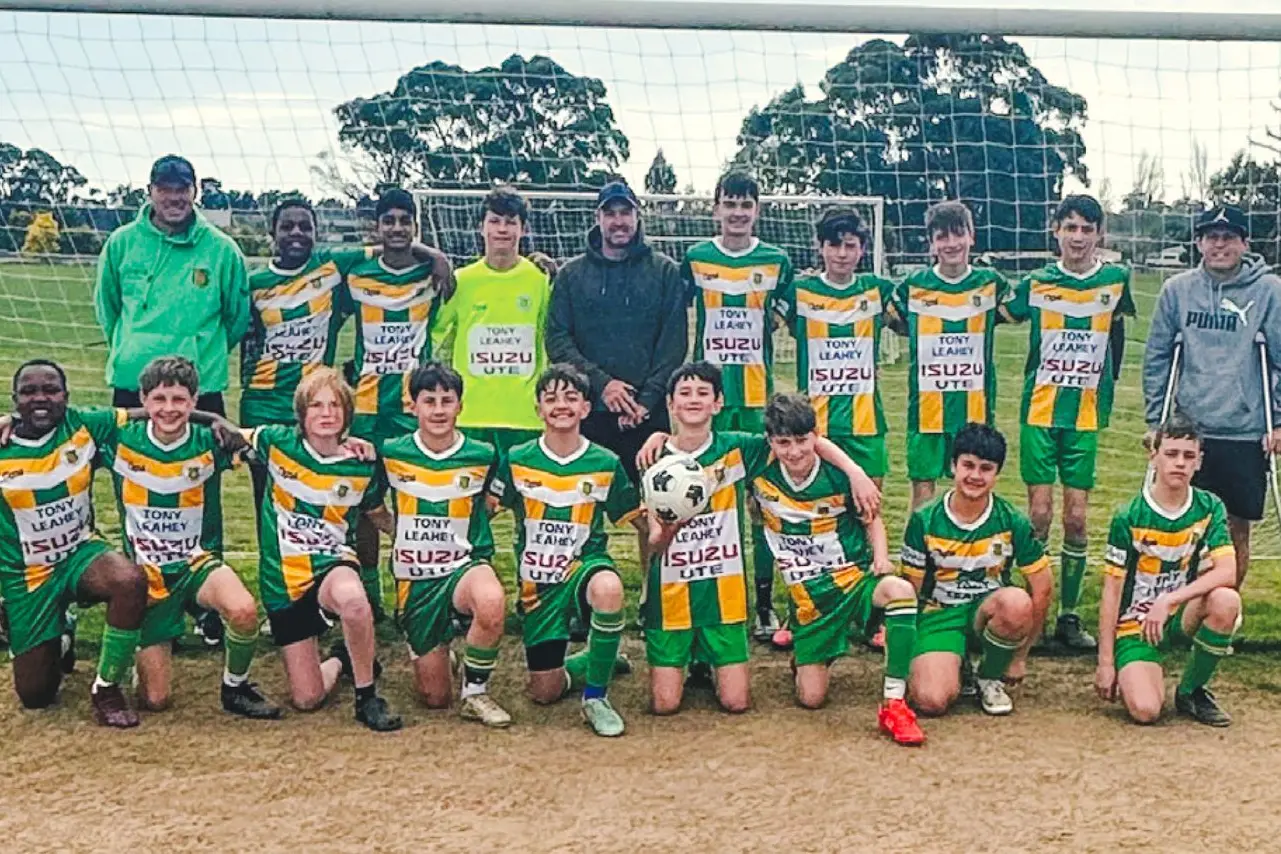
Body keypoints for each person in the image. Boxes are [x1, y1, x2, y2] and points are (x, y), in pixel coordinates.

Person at [639, 362, 881, 717]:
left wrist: (856, 473)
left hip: (725, 594)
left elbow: (803, 438)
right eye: (685, 394)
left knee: (737, 703)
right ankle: (689, 661)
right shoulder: (653, 458)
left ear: (718, 403)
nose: (694, 400)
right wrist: (669, 528)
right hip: (672, 594)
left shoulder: (738, 449)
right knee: (665, 705)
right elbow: (655, 543)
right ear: (671, 404)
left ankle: (708, 661)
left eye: (703, 393)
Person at [105, 357, 279, 718]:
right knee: (155, 701)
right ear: (143, 399)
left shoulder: (213, 440)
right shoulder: (118, 438)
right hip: (148, 574)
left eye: (180, 400)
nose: (169, 409)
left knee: (244, 610)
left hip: (197, 564)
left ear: (195, 400)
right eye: (160, 399)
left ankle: (236, 687)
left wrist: (353, 444)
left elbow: (283, 444)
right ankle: (146, 654)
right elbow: (65, 421)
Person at [1000, 194, 1135, 650]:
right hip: (1039, 411)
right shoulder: (1036, 283)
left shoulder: (1116, 281)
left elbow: (1116, 332)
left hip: (1085, 416)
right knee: (1038, 515)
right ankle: (1027, 610)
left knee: (1077, 518)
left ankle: (1070, 616)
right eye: (1070, 227)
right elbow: (995, 315)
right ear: (1055, 231)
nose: (1078, 237)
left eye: (1087, 228)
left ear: (1099, 234)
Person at [751, 393, 923, 745]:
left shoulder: (839, 475)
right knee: (811, 700)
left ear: (816, 435)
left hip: (854, 578)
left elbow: (872, 519)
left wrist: (880, 557)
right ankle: (808, 653)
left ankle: (894, 701)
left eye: (803, 440)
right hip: (810, 597)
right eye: (784, 443)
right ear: (770, 442)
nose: (795, 451)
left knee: (900, 591)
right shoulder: (757, 468)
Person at [489, 363, 642, 737]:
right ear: (539, 409)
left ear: (586, 409)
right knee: (545, 692)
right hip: (537, 586)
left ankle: (596, 697)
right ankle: (595, 659)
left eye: (571, 398)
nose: (561, 405)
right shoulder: (517, 458)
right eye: (551, 398)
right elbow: (485, 513)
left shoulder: (605, 463)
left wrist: (669, 527)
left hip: (582, 567)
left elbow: (635, 518)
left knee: (608, 589)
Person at [247, 367, 401, 731]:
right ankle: (343, 659)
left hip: (332, 564)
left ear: (347, 413)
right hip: (283, 580)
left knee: (353, 599)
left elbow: (377, 514)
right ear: (302, 413)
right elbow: (220, 432)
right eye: (316, 405)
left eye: (335, 405)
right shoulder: (274, 442)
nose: (327, 413)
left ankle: (367, 697)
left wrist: (411, 537)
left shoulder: (361, 464)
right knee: (307, 699)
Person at [0, 361, 149, 727]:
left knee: (129, 580)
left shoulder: (84, 425)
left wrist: (216, 422)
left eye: (50, 390)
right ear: (14, 399)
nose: (40, 398)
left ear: (66, 396)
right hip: (27, 573)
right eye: (29, 391)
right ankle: (61, 631)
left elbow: (157, 411)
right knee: (36, 695)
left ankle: (107, 688)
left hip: (79, 553)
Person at [1142, 203, 1281, 588]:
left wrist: (1280, 422)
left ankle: (1223, 613)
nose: (1220, 246)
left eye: (1229, 238)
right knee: (1183, 522)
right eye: (1212, 238)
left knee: (1236, 528)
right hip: (1190, 431)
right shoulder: (1177, 291)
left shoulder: (1269, 291)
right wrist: (1156, 420)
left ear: (1244, 243)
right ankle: (1176, 605)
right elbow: (1157, 356)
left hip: (1244, 430)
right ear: (1199, 242)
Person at [681, 171, 794, 642]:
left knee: (758, 503)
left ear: (757, 210)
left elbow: (789, 312)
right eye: (730, 203)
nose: (738, 212)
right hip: (705, 403)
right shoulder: (696, 258)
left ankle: (764, 604)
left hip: (754, 400)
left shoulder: (776, 261)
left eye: (746, 204)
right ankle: (693, 594)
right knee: (696, 499)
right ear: (716, 208)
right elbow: (674, 309)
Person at [366, 362, 512, 727]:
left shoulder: (482, 453)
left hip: (464, 566)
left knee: (491, 601)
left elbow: (496, 497)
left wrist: (468, 530)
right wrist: (397, 531)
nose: (438, 409)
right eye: (429, 400)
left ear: (460, 406)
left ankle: (475, 693)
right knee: (434, 698)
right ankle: (441, 653)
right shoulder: (391, 452)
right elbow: (370, 503)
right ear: (412, 405)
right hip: (416, 580)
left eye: (447, 400)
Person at [343, 188, 453, 616]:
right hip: (367, 409)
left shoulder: (434, 276)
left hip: (413, 410)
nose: (396, 228)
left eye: (404, 221)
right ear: (377, 227)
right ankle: (371, 596)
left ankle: (423, 591)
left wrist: (437, 256)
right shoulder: (356, 274)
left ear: (415, 226)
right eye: (388, 221)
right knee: (364, 504)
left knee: (420, 501)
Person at [1095, 413, 1242, 727]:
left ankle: (1191, 691)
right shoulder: (1129, 515)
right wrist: (1105, 662)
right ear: (1154, 457)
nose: (1180, 463)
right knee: (1146, 711)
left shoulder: (1210, 506)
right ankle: (1138, 669)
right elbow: (1112, 591)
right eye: (1171, 454)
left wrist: (1170, 600)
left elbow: (1228, 571)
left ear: (1199, 462)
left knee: (1227, 601)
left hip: (1178, 615)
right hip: (1136, 624)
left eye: (1189, 456)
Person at [903, 422, 1052, 717]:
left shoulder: (1012, 520)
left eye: (986, 468)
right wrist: (906, 650)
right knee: (931, 701)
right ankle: (955, 664)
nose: (975, 475)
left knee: (1016, 602)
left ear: (997, 473)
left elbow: (1043, 585)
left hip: (987, 614)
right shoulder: (924, 519)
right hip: (940, 615)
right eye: (967, 465)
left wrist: (1020, 656)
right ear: (953, 466)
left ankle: (989, 677)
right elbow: (911, 591)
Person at [547, 180, 688, 483]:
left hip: (646, 415)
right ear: (598, 218)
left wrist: (645, 401)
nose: (618, 221)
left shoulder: (664, 272)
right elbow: (557, 340)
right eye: (610, 214)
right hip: (585, 410)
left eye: (626, 212)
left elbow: (674, 344)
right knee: (580, 508)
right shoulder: (571, 275)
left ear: (637, 216)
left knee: (653, 510)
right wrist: (603, 385)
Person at [242, 199, 370, 521]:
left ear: (316, 232)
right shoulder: (255, 284)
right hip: (264, 402)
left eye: (305, 226)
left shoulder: (331, 266)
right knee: (267, 494)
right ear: (273, 232)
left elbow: (388, 248)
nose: (296, 233)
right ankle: (272, 569)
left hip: (318, 402)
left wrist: (432, 255)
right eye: (287, 226)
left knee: (319, 486)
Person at [94, 154, 249, 414]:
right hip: (134, 382)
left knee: (204, 455)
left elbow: (236, 317)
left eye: (182, 189)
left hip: (200, 387)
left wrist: (198, 348)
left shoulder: (223, 249)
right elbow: (108, 308)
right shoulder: (121, 243)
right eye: (164, 189)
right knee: (129, 455)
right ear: (150, 192)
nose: (174, 198)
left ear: (195, 191)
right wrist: (133, 343)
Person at [889, 201, 1009, 513]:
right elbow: (897, 322)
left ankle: (971, 553)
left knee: (975, 485)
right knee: (923, 493)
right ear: (931, 243)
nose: (951, 244)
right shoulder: (912, 287)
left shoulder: (992, 283)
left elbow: (1012, 314)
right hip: (926, 408)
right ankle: (920, 558)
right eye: (942, 237)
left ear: (972, 236)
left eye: (958, 235)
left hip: (975, 407)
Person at [433, 185, 552, 459]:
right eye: (495, 221)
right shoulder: (461, 281)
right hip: (472, 417)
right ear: (481, 227)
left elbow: (553, 337)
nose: (502, 229)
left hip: (525, 418)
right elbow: (436, 337)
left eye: (511, 223)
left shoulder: (540, 280)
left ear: (523, 230)